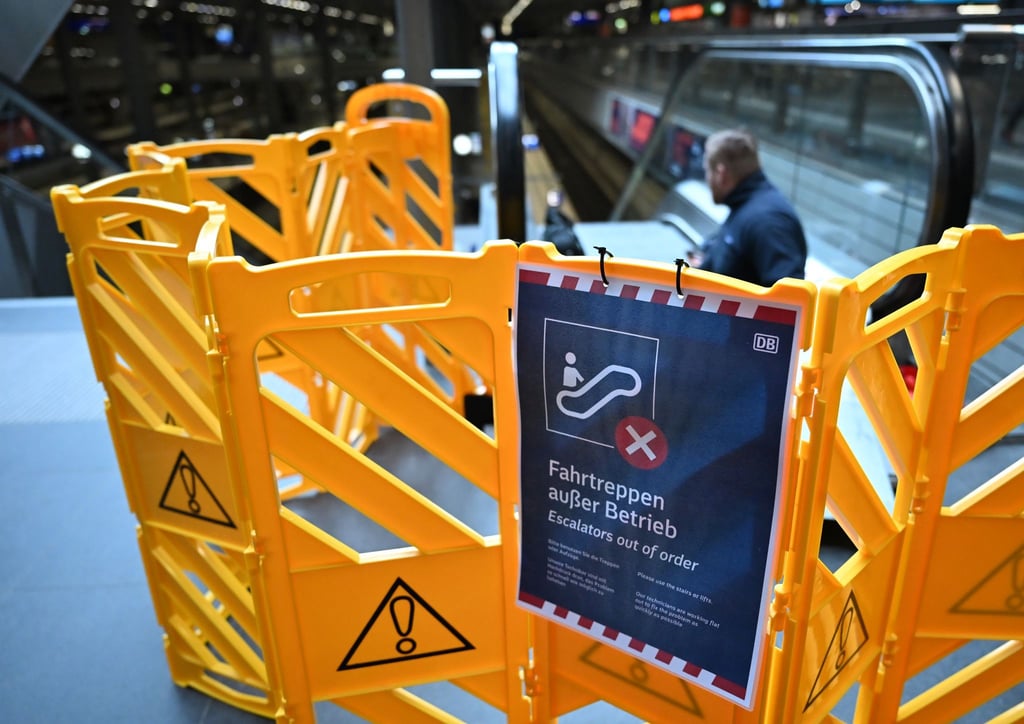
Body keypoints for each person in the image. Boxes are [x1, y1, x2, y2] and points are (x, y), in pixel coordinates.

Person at [689, 129, 807, 286]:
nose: (707, 179)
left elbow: (789, 300)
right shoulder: (744, 205)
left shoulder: (768, 221)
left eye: (707, 171)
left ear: (721, 173)